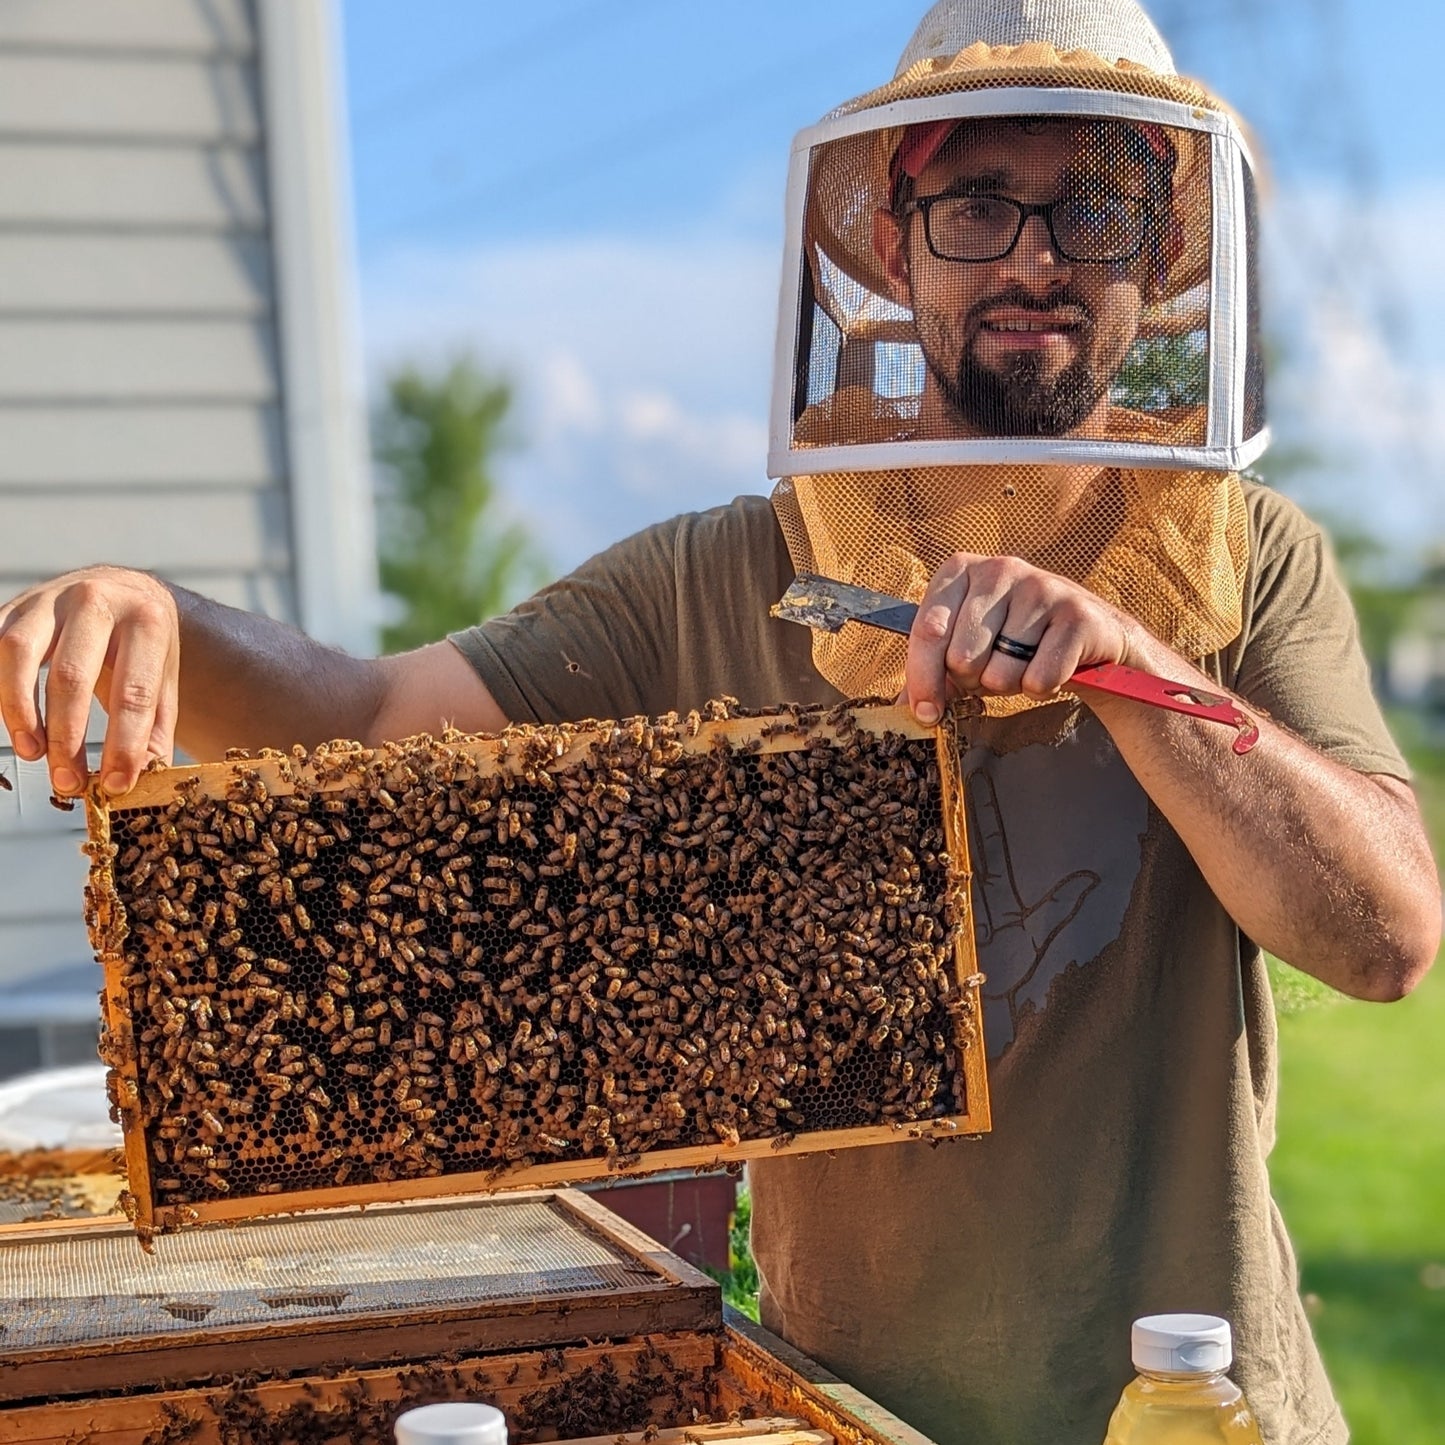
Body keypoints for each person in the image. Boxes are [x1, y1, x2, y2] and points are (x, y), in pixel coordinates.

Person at [0, 2, 1436, 1442]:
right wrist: (171, 622)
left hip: (1192, 1408)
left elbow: (1382, 937)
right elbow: (377, 719)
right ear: (889, 238)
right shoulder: (721, 580)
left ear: (1164, 246)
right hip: (837, 1412)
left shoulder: (1252, 562)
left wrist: (1135, 671)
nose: (1033, 255)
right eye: (976, 201)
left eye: (1095, 204)